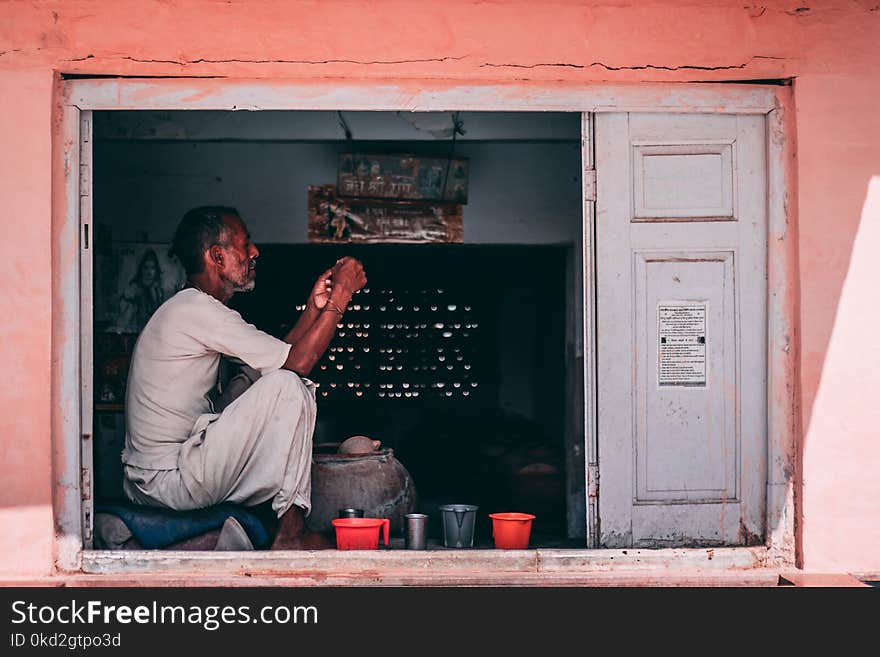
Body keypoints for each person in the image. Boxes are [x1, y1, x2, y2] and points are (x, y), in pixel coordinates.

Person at [121, 206, 367, 549]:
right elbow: (300, 363)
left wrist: (314, 308)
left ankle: (284, 525)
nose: (254, 252)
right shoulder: (198, 311)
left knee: (255, 375)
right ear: (217, 257)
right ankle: (292, 532)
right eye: (245, 243)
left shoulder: (189, 308)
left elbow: (278, 358)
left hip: (154, 477)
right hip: (170, 480)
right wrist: (341, 298)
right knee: (290, 386)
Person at [116, 248, 165, 333]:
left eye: (152, 268)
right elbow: (124, 319)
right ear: (141, 270)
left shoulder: (158, 291)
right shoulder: (132, 290)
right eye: (146, 268)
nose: (149, 272)